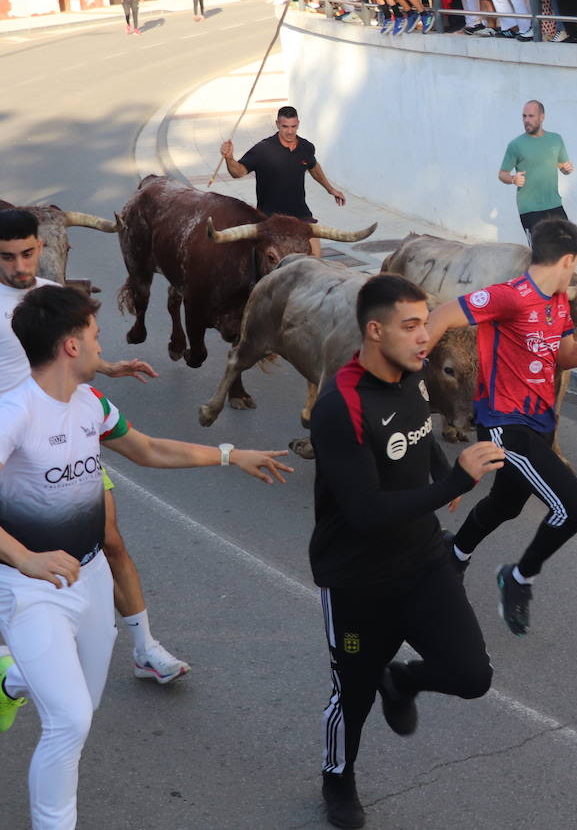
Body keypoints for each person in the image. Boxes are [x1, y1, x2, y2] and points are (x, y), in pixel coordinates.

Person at [0, 285, 291, 830]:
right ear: (70, 346)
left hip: (89, 578)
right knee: (69, 721)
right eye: (94, 335)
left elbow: (148, 449)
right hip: (29, 589)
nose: (100, 344)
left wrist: (231, 454)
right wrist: (23, 558)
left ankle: (10, 679)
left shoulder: (90, 402)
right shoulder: (13, 413)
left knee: (82, 705)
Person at [308, 274, 505, 829]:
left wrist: (439, 470)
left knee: (471, 675)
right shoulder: (340, 406)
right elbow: (366, 512)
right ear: (375, 331)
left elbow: (418, 434)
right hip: (357, 582)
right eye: (411, 326)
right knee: (352, 695)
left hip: (424, 563)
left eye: (426, 323)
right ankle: (337, 779)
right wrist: (456, 482)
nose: (425, 337)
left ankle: (403, 680)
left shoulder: (415, 377)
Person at [424, 219, 577, 636]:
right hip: (504, 424)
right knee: (573, 508)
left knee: (506, 504)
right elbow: (444, 313)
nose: (575, 272)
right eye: (576, 265)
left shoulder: (558, 304)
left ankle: (454, 553)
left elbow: (564, 355)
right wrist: (408, 363)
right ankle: (518, 578)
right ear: (568, 260)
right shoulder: (509, 296)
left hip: (538, 423)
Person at [0, 209, 189, 685]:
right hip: (14, 451)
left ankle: (145, 648)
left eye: (27, 253)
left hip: (67, 438)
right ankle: (21, 665)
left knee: (109, 540)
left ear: (41, 246)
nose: (19, 266)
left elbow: (71, 347)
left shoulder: (50, 294)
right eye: (6, 257)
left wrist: (107, 367)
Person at [220, 105, 348, 258]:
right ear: (277, 124)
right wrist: (229, 158)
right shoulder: (263, 149)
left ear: (298, 124)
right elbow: (238, 172)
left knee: (315, 260)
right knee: (275, 263)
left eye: (293, 126)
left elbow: (313, 166)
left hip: (300, 215)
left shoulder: (306, 147)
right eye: (285, 126)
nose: (290, 131)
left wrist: (330, 189)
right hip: (270, 219)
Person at [499, 100, 574, 239]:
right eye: (524, 116)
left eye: (531, 116)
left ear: (542, 117)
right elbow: (502, 174)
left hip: (554, 204)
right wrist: (513, 179)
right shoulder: (515, 145)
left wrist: (566, 169)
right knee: (541, 250)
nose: (526, 120)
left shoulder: (556, 139)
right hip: (530, 208)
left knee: (568, 244)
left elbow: (562, 166)